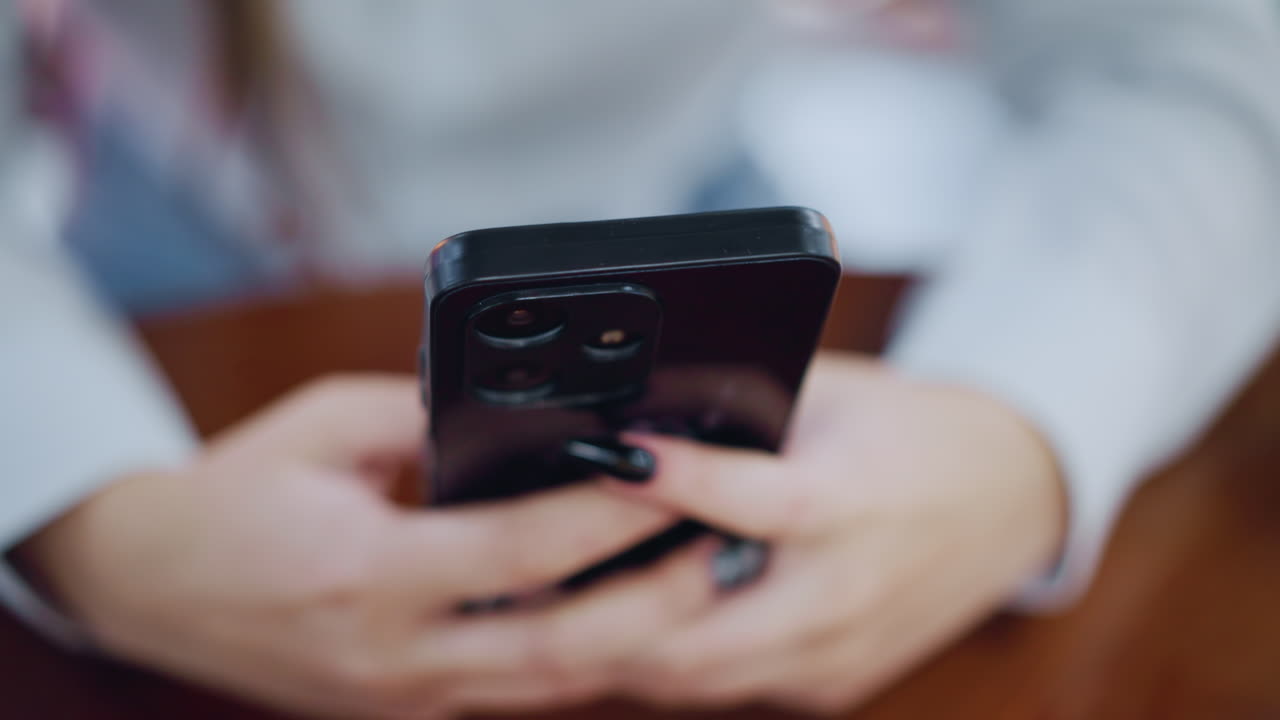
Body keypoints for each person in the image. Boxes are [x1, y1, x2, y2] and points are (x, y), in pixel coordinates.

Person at [3, 0, 1280, 717]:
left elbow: (1199, 60)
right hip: (155, 239)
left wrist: (1020, 428)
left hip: (684, 203)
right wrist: (81, 517)